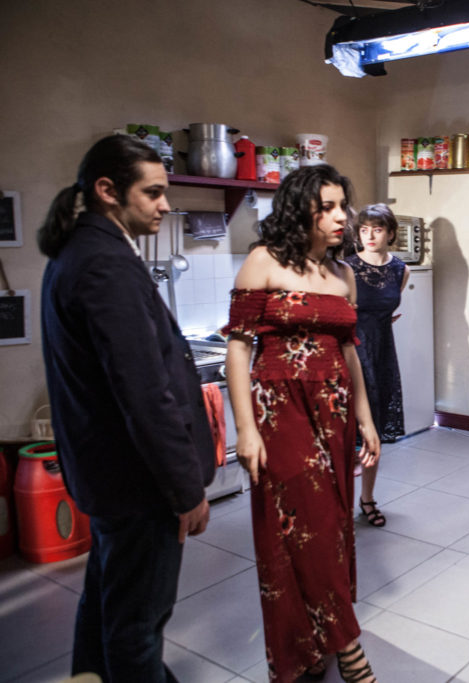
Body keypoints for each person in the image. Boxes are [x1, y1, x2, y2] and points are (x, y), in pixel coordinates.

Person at [38, 134, 216, 682]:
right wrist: (186, 490)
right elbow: (144, 393)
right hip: (139, 483)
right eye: (153, 193)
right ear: (107, 190)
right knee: (137, 625)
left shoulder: (82, 251)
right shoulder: (105, 265)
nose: (165, 205)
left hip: (110, 476)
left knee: (106, 600)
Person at [223, 165, 380, 682]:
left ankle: (311, 646)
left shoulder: (343, 274)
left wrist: (365, 417)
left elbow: (350, 351)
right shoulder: (263, 261)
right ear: (299, 210)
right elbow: (239, 348)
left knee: (331, 527)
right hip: (280, 409)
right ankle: (350, 651)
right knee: (303, 527)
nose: (341, 217)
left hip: (334, 411)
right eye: (327, 207)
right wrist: (245, 430)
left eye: (343, 206)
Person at [344, 203, 410, 527]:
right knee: (346, 431)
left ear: (391, 234)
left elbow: (386, 310)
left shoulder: (401, 270)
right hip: (349, 352)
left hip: (382, 353)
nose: (370, 235)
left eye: (378, 229)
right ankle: (339, 503)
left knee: (375, 431)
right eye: (364, 229)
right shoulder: (345, 267)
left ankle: (367, 498)